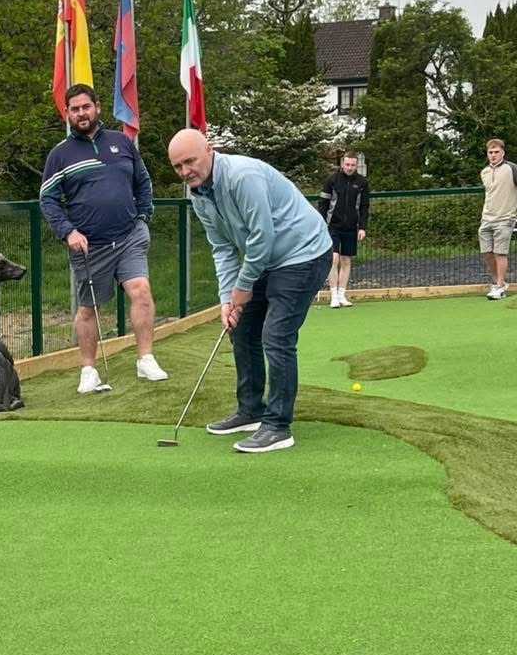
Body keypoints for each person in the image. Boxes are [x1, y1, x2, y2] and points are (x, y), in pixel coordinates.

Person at [166, 128, 332, 453]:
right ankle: (251, 410)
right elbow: (222, 248)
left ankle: (278, 426)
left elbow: (261, 236)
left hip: (304, 253)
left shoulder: (242, 177)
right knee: (240, 327)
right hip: (268, 258)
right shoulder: (198, 194)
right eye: (177, 166)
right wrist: (226, 299)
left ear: (209, 150)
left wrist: (242, 287)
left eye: (190, 161)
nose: (185, 171)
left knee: (277, 335)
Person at [40, 83, 167, 392]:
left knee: (140, 290)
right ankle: (88, 370)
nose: (81, 113)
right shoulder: (60, 155)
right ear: (67, 114)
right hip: (89, 245)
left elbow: (143, 182)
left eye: (86, 107)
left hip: (129, 236)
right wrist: (68, 231)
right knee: (89, 308)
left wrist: (143, 217)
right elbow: (48, 199)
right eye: (75, 109)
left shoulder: (121, 142)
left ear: (97, 107)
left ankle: (146, 359)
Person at [318, 151, 369, 307]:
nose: (350, 167)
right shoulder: (332, 180)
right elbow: (323, 204)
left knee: (346, 260)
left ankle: (342, 295)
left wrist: (362, 227)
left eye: (353, 165)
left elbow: (364, 206)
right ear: (342, 163)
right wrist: (321, 224)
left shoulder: (362, 182)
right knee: (333, 258)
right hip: (332, 226)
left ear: (356, 165)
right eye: (347, 164)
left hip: (351, 227)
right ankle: (333, 295)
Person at [478, 138, 517, 299]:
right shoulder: (484, 172)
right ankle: (498, 282)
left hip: (506, 218)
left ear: (503, 153)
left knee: (500, 253)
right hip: (487, 218)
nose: (493, 155)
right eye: (490, 152)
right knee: (486, 252)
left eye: (496, 152)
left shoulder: (512, 169)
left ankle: (499, 287)